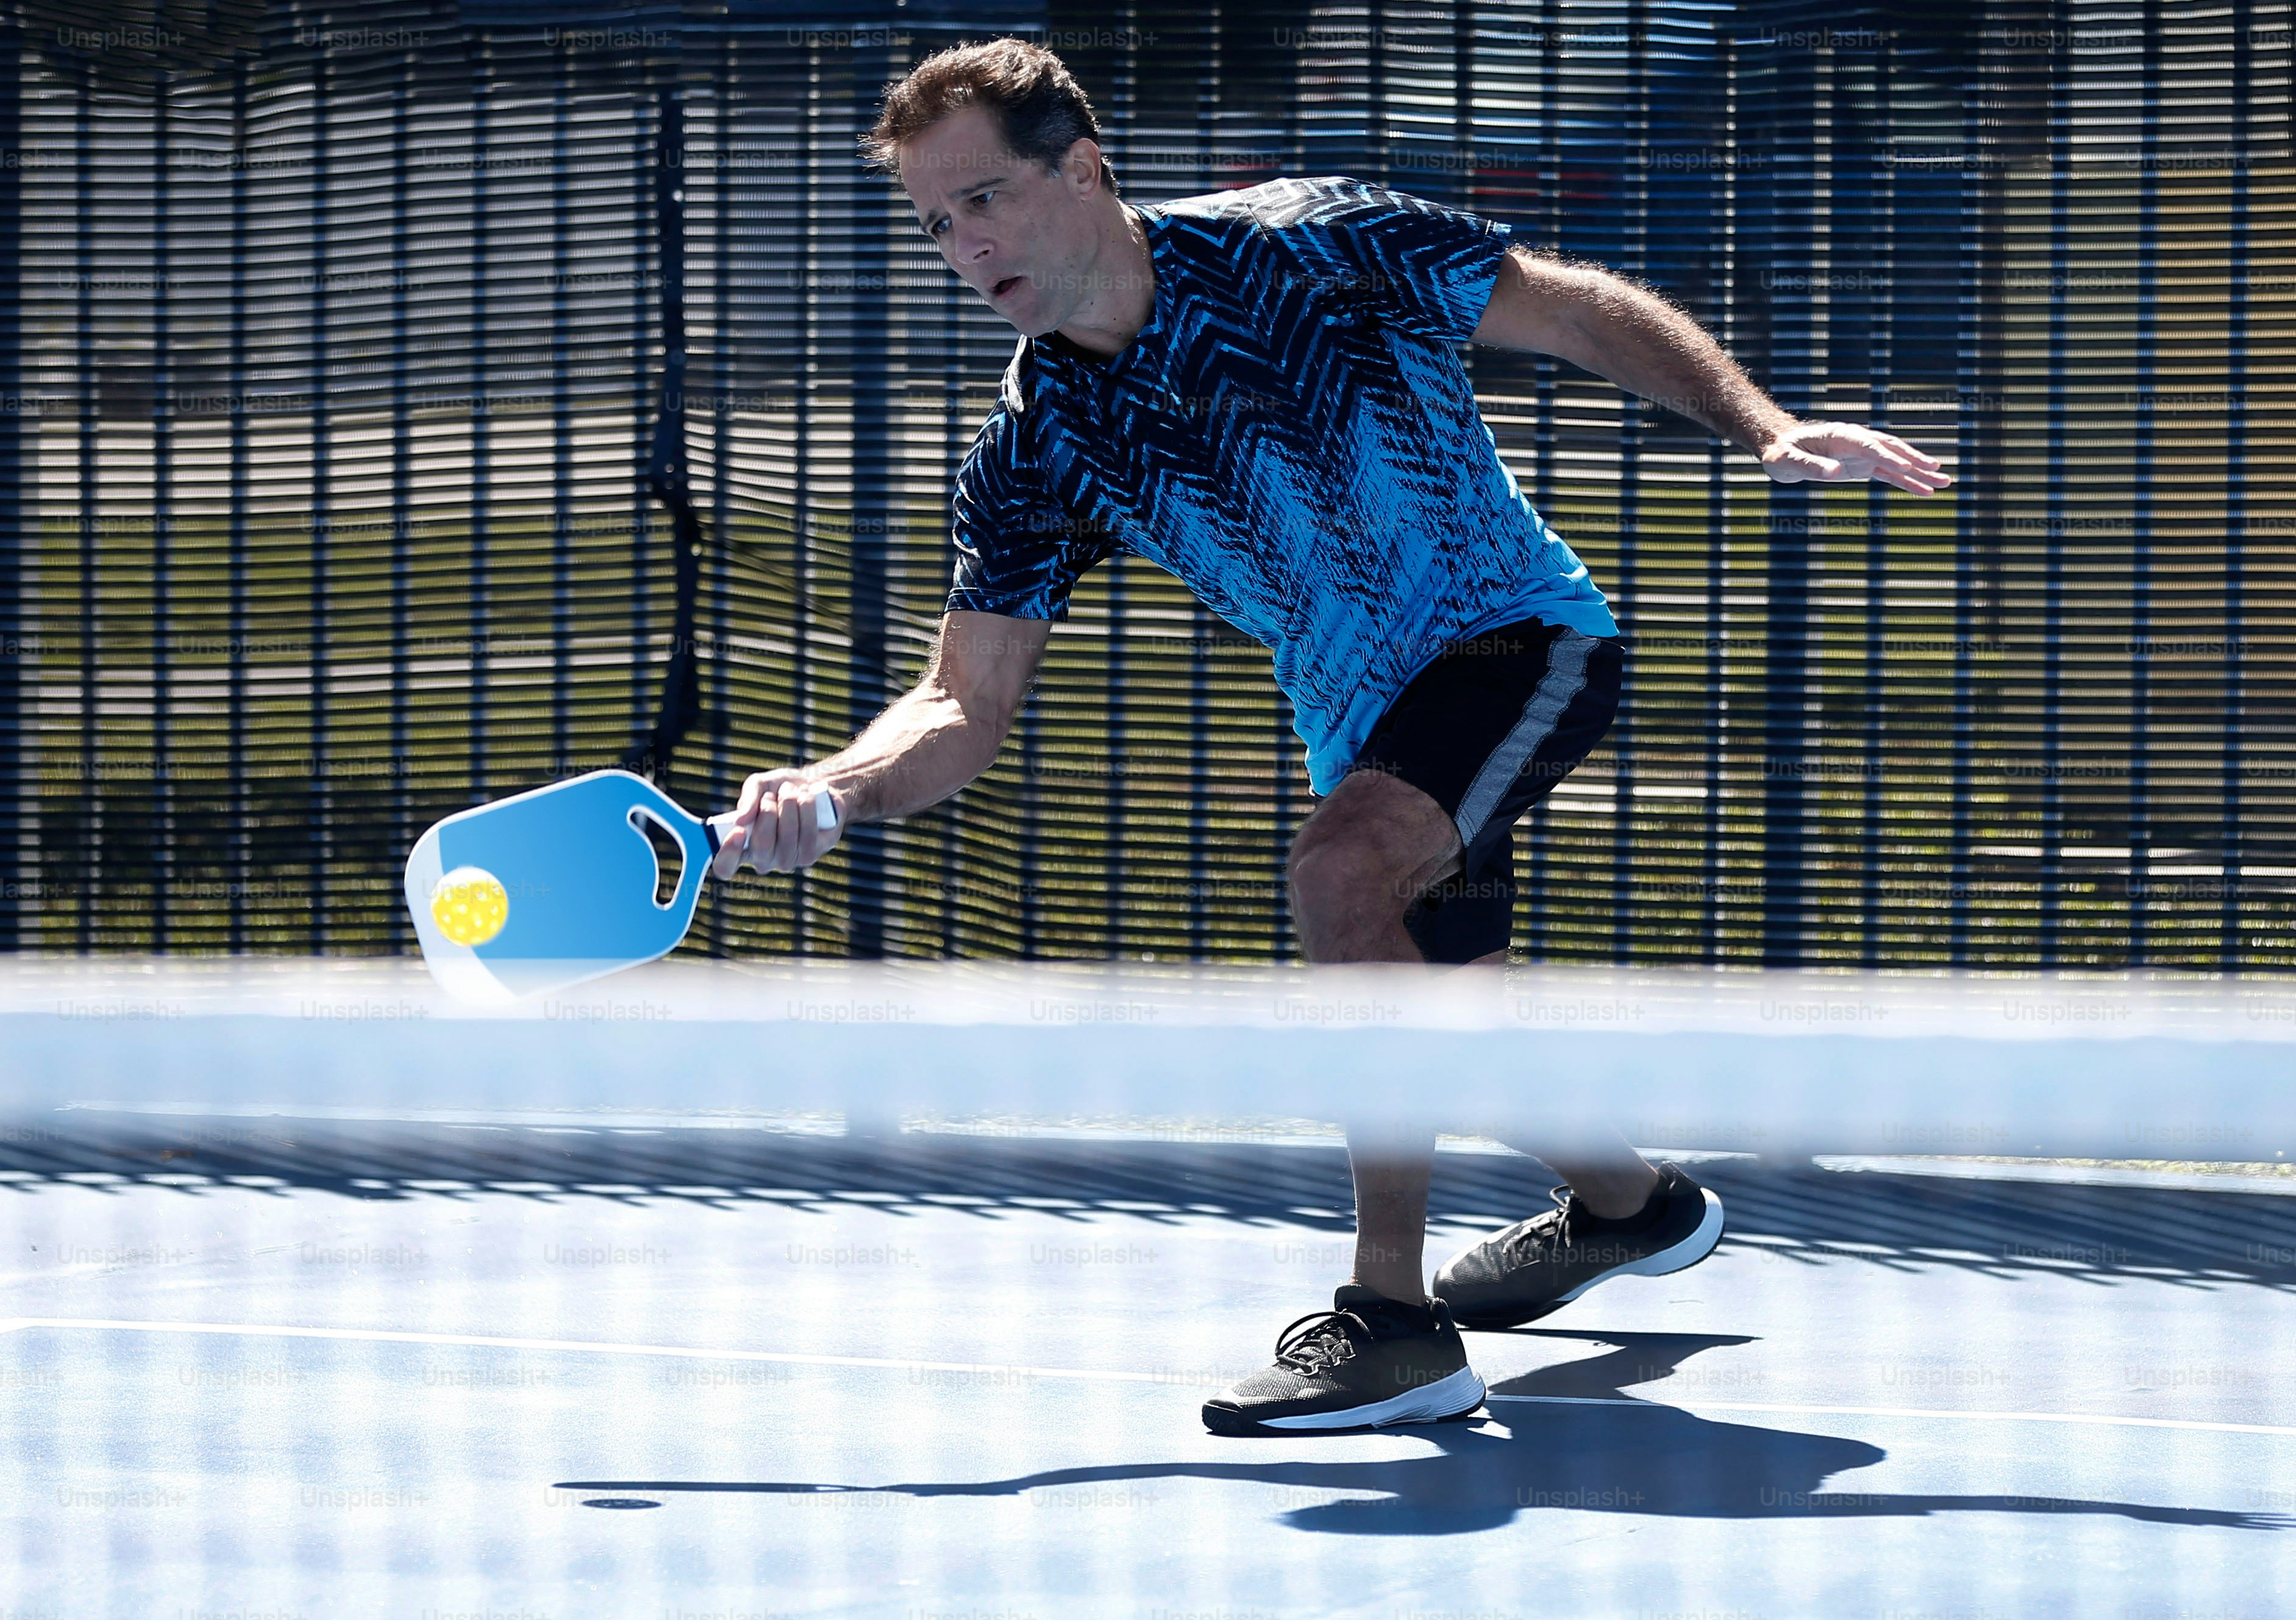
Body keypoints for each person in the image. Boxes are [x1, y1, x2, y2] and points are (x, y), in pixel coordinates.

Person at [708, 39, 1952, 1435]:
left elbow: (1568, 309)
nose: (964, 245)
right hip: (1353, 716)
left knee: (1339, 875)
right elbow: (960, 703)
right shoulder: (1034, 445)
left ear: (1084, 169)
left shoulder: (1308, 243)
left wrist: (1760, 426)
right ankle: (1631, 1206)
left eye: (984, 197)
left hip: (1515, 637)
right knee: (1430, 1013)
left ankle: (1391, 1326)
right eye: (937, 223)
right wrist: (829, 790)